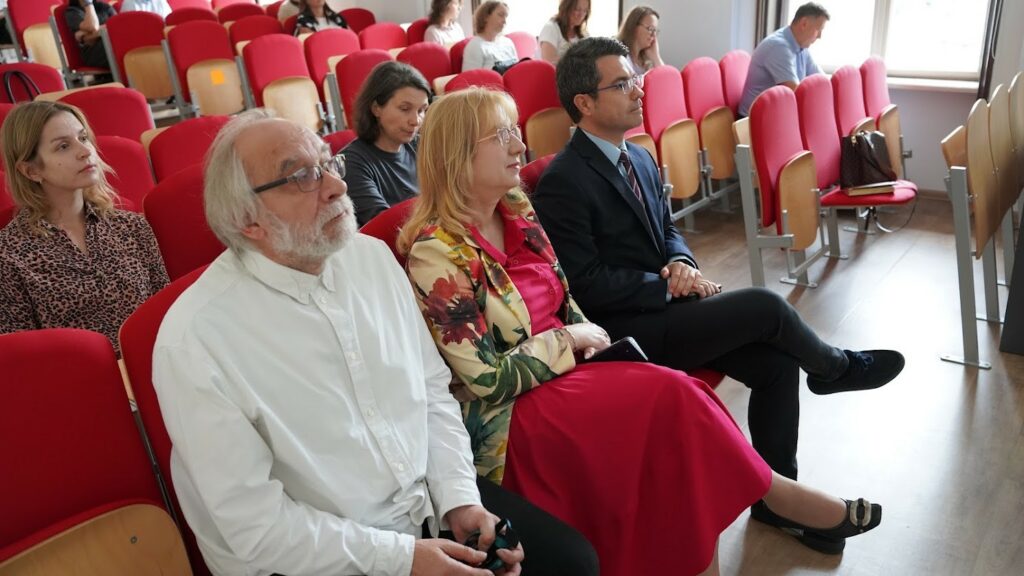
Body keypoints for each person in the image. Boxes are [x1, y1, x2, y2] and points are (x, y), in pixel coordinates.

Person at [398, 87, 885, 576]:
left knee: (679, 409)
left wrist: (587, 336)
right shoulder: (436, 252)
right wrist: (572, 339)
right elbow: (487, 380)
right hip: (513, 413)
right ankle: (780, 496)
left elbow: (563, 298)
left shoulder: (517, 209)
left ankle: (760, 514)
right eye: (502, 134)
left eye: (515, 131)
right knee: (675, 398)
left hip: (573, 371)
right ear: (459, 154)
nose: (519, 145)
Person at [151, 109, 600, 576]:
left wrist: (459, 500)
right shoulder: (195, 340)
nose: (336, 186)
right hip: (320, 556)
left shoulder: (370, 258)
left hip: (425, 508)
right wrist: (403, 558)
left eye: (328, 163)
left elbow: (431, 393)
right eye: (302, 177)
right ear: (248, 221)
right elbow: (255, 529)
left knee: (572, 562)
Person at [531, 36, 904, 552]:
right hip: (624, 329)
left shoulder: (639, 156)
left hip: (666, 308)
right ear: (584, 103)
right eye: (621, 84)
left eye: (635, 78)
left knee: (776, 363)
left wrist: (682, 263)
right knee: (766, 305)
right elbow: (584, 282)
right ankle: (834, 367)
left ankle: (779, 504)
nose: (639, 89)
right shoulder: (564, 180)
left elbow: (668, 232)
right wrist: (666, 285)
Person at [0, 101, 168, 354]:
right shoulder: (7, 255)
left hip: (153, 365)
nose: (85, 151)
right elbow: (22, 356)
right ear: (31, 170)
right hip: (75, 376)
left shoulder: (132, 227)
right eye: (63, 146)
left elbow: (167, 313)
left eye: (83, 138)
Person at [343, 61, 430, 227]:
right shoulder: (351, 163)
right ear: (376, 108)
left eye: (421, 110)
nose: (416, 121)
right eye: (405, 109)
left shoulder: (421, 145)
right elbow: (386, 227)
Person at [738, 2, 829, 117]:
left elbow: (821, 80)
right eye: (818, 30)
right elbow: (795, 93)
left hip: (775, 114)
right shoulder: (778, 46)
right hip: (753, 120)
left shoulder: (801, 46)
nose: (820, 36)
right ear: (804, 24)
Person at [462, 1, 517, 73]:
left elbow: (517, 71)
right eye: (500, 15)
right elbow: (470, 78)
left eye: (506, 16)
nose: (505, 21)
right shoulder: (475, 46)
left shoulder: (508, 43)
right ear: (486, 17)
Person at [65, 0, 116, 69]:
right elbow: (92, 26)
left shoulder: (104, 6)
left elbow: (118, 25)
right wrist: (88, 3)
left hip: (110, 43)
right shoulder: (72, 12)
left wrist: (90, 33)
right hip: (93, 52)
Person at [617, 5, 664, 75]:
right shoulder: (618, 56)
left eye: (655, 31)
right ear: (634, 27)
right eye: (651, 29)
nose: (654, 35)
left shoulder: (647, 62)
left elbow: (666, 78)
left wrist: (656, 57)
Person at [538, 0, 588, 65]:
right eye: (577, 9)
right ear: (566, 7)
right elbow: (549, 63)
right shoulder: (551, 28)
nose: (581, 15)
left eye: (585, 10)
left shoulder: (584, 34)